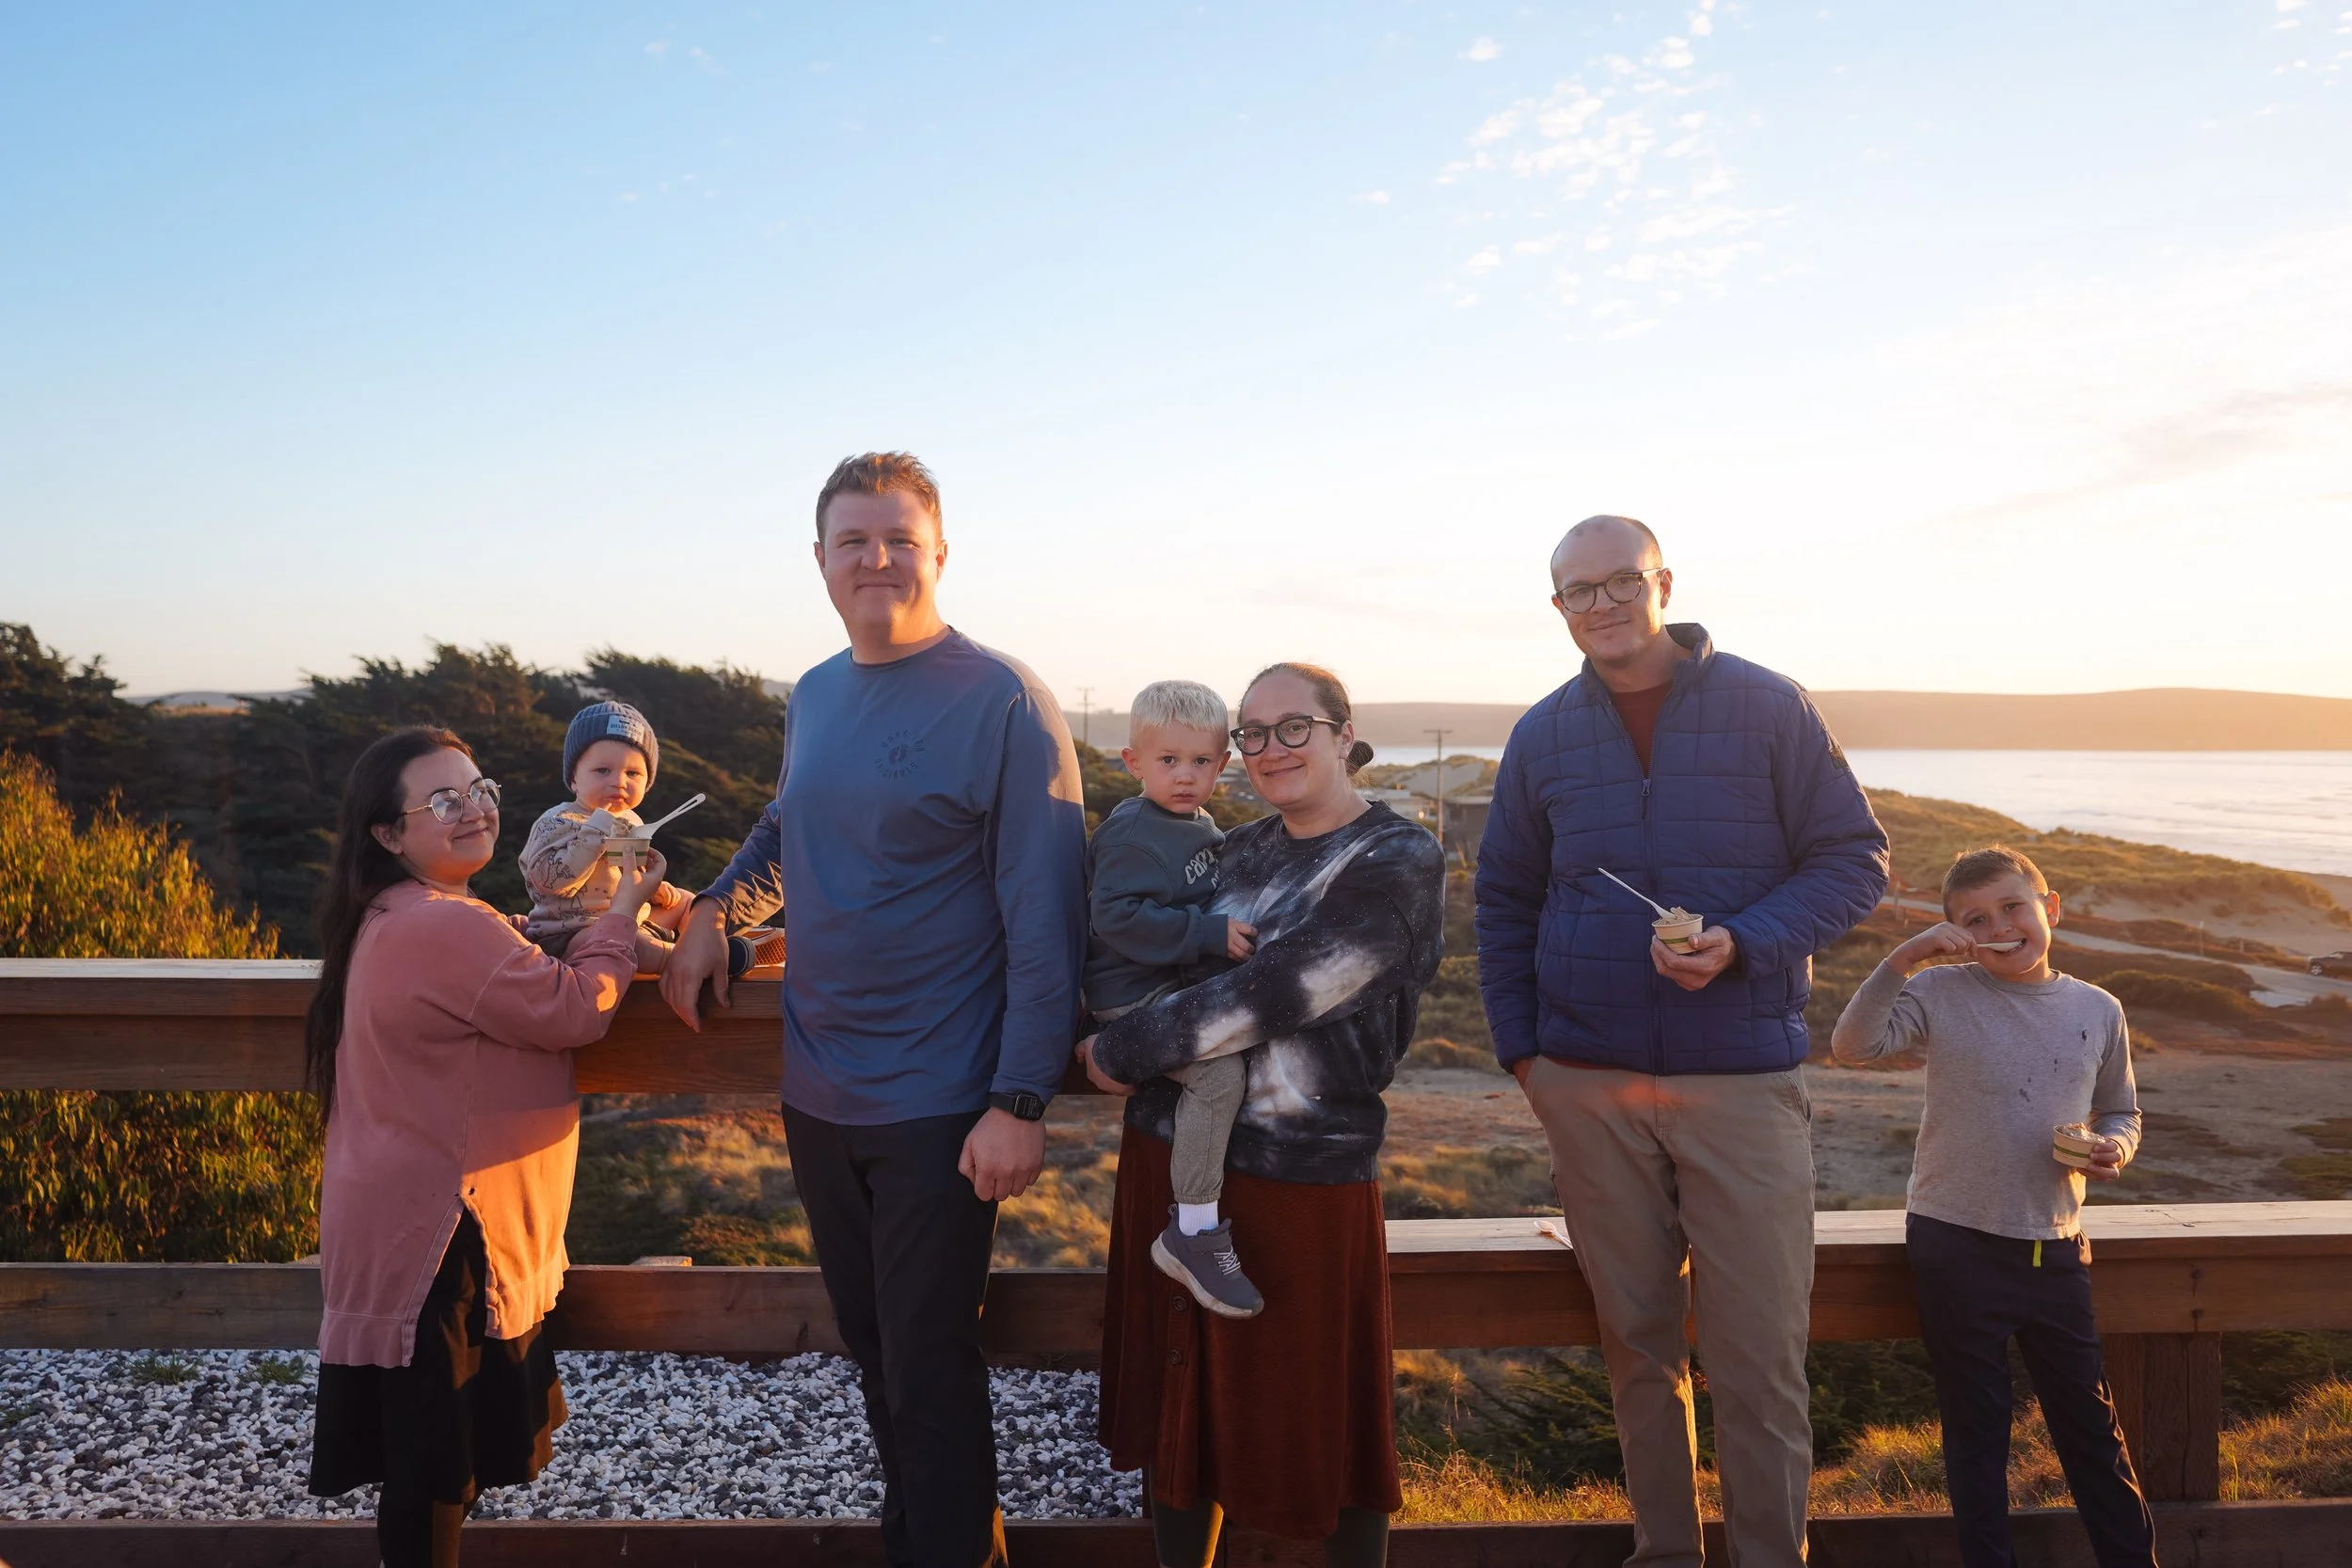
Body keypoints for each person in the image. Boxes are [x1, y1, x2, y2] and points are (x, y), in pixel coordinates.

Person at [660, 451, 1088, 1568]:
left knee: (932, 1365)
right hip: (819, 1088)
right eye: (853, 540)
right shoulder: (816, 691)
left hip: (943, 1100)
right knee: (877, 1354)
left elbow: (1046, 921)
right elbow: (785, 829)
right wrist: (712, 909)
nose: (876, 558)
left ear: (939, 551)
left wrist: (1019, 1097)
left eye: (898, 537)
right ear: (820, 560)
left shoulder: (1002, 699)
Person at [1474, 515, 1889, 1568]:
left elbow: (1853, 858)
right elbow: (1504, 898)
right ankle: (1662, 1553)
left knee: (1758, 1358)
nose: (1601, 602)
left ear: (1663, 582)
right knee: (1636, 1348)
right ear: (1557, 606)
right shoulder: (1541, 733)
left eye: (1620, 581)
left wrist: (1745, 943)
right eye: (1578, 589)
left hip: (1741, 1082)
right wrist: (1528, 1055)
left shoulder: (1765, 703)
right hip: (1588, 1085)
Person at [1078, 661, 1445, 1568]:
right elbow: (1138, 954)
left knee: (1321, 1407)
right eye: (1253, 732)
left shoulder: (1395, 857)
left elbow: (1274, 992)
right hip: (1174, 1156)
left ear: (1342, 734)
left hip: (1303, 1173)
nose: (1270, 748)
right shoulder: (1233, 851)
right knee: (1182, 1404)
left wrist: (1114, 1054)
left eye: (1294, 727)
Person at [303, 725, 662, 1567]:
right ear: (389, 834)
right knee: (434, 1469)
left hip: (405, 1221)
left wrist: (531, 931)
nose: (473, 810)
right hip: (445, 1232)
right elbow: (575, 1009)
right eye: (442, 800)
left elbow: (498, 976)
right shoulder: (443, 928)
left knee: (424, 1461)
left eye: (480, 790)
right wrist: (620, 911)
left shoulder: (395, 915)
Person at [1834, 846, 2155, 1568]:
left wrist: (2114, 1147)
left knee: (2090, 1433)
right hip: (1956, 1242)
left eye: (2013, 906)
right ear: (1959, 933)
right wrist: (1905, 958)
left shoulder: (2099, 1007)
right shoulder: (1943, 990)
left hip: (2058, 1244)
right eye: (1976, 919)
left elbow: (2122, 1110)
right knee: (1978, 1436)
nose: (2001, 926)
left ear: (2051, 908)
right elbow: (1853, 1044)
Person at [1083, 678, 1263, 1318]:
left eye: (1201, 761)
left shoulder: (1198, 823)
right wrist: (1205, 935)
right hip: (1132, 994)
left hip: (1169, 983)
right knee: (1218, 1075)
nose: (1185, 776)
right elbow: (1115, 918)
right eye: (1168, 761)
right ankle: (1193, 1228)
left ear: (1222, 763)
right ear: (1133, 762)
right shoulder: (1134, 832)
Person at [519, 700, 691, 972]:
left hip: (630, 922)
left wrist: (653, 889)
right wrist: (596, 829)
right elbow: (549, 883)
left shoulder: (631, 821)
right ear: (574, 778)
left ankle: (704, 942)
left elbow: (627, 875)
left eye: (632, 773)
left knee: (687, 901)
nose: (619, 782)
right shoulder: (557, 822)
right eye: (602, 770)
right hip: (570, 935)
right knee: (627, 940)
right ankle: (688, 960)